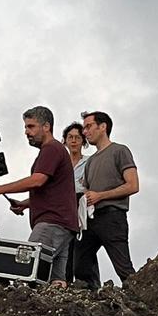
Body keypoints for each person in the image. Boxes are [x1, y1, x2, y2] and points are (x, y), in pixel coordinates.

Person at [0, 106, 78, 287]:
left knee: (27, 269)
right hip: (64, 225)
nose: (26, 132)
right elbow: (54, 191)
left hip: (52, 223)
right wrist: (25, 204)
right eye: (25, 127)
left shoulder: (52, 149)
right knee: (55, 281)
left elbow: (38, 180)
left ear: (46, 126)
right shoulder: (54, 150)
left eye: (31, 127)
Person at [73, 111, 138, 287]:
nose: (85, 132)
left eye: (88, 126)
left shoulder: (119, 151)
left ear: (103, 127)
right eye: (84, 128)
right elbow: (86, 190)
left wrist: (100, 195)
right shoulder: (91, 161)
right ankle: (92, 301)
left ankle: (142, 302)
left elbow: (133, 185)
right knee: (79, 266)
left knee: (123, 268)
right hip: (90, 220)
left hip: (112, 216)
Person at [62, 121, 89, 283]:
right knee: (65, 246)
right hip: (63, 207)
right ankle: (65, 281)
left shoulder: (89, 162)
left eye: (77, 138)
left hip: (82, 205)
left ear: (83, 142)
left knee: (83, 248)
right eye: (70, 137)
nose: (73, 141)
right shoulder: (60, 164)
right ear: (64, 140)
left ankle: (87, 283)